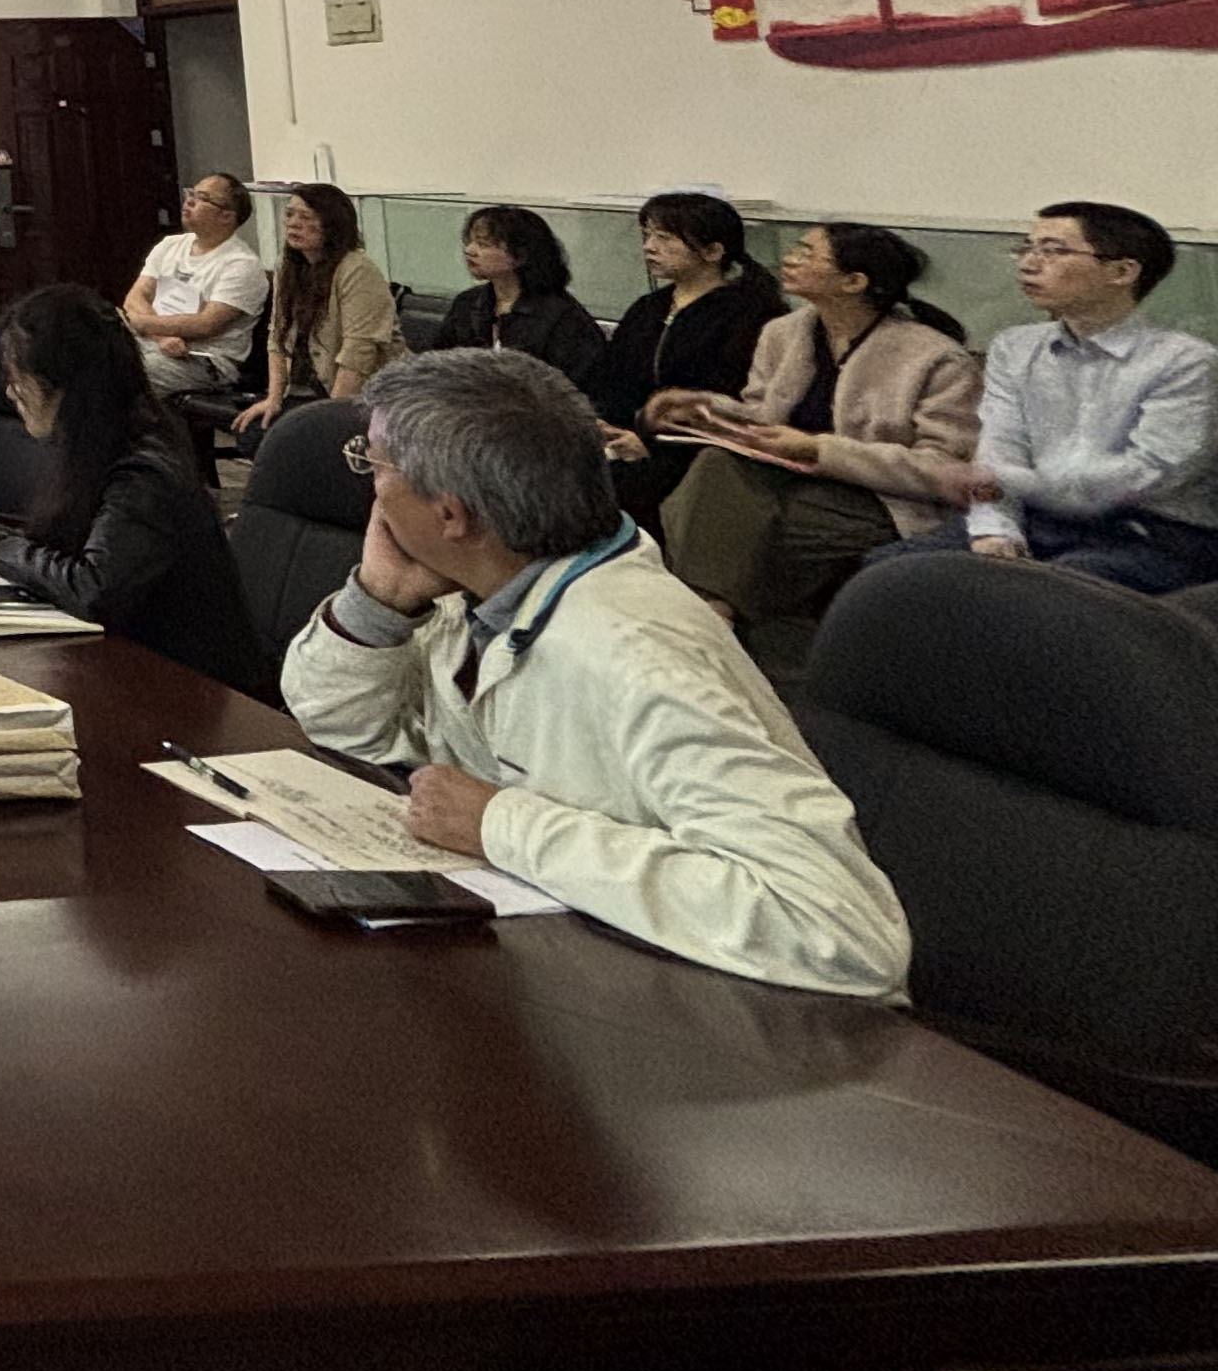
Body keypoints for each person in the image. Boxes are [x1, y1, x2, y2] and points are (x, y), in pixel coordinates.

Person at [282, 348, 908, 1001]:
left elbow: (841, 933)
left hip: (745, 1023)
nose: (369, 486)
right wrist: (378, 603)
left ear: (450, 516)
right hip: (576, 975)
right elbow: (343, 732)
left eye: (374, 464)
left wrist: (502, 825)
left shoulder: (640, 654)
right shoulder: (473, 588)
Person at [655, 225, 985, 670]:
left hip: (879, 500)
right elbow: (761, 413)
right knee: (714, 467)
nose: (790, 259)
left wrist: (818, 450)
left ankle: (706, 624)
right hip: (787, 480)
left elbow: (944, 469)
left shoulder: (935, 357)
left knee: (717, 527)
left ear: (854, 281)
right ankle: (721, 626)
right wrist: (707, 410)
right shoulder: (783, 333)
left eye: (808, 253)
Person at [0, 284, 271, 696]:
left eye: (18, 378)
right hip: (135, 666)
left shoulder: (145, 466)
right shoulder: (95, 442)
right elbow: (69, 548)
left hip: (195, 691)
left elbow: (93, 589)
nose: (10, 392)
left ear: (65, 381)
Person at [883, 201, 1218, 592]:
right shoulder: (1015, 347)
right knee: (891, 574)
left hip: (1151, 531)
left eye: (1053, 251)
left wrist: (1009, 480)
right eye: (1026, 248)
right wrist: (995, 528)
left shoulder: (1186, 361)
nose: (1029, 263)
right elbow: (1000, 447)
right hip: (1039, 518)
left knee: (1043, 596)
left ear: (1122, 272)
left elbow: (1147, 473)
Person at [586, 192, 786, 512]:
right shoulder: (648, 308)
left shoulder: (751, 315)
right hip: (630, 443)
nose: (649, 247)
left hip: (698, 457)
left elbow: (734, 404)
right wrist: (606, 425)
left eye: (664, 238)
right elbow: (612, 379)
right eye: (647, 235)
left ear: (712, 251)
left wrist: (649, 445)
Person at [229, 181, 402, 449]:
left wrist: (330, 417)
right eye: (289, 214)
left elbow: (358, 352)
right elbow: (277, 335)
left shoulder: (357, 269)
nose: (293, 223)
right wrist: (273, 398)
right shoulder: (288, 265)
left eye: (306, 217)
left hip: (358, 393)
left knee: (298, 443)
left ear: (332, 224)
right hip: (304, 390)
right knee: (254, 432)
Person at [121, 173, 268, 405]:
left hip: (200, 359)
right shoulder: (170, 245)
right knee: (84, 357)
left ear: (226, 216)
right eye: (191, 193)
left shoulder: (241, 265)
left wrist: (140, 323)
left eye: (202, 198)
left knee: (120, 377)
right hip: (150, 342)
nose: (189, 201)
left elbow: (205, 324)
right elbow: (135, 297)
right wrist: (160, 336)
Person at [428, 205, 607, 382]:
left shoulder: (563, 317)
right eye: (469, 242)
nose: (469, 250)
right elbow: (438, 364)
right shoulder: (467, 302)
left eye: (483, 244)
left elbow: (575, 387)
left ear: (520, 255)